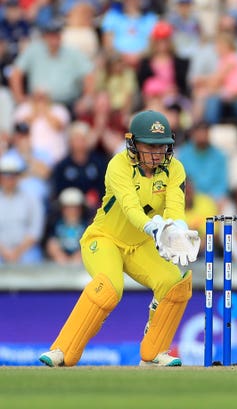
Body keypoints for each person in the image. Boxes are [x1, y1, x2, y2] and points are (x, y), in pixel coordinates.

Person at [39, 110, 200, 367]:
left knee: (175, 283)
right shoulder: (118, 164)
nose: (157, 153)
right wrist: (156, 229)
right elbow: (130, 208)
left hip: (140, 245)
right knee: (109, 289)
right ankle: (62, 351)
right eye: (150, 145)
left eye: (162, 146)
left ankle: (154, 353)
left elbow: (175, 208)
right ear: (133, 143)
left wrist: (177, 231)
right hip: (104, 239)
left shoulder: (175, 169)